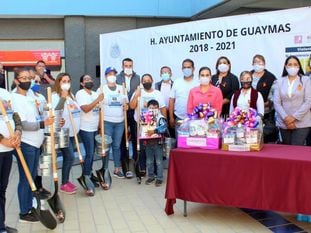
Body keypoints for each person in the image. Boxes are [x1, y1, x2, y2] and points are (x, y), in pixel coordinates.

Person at [10, 68, 54, 222]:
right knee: (25, 178)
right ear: (16, 81)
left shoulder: (30, 95)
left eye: (29, 77)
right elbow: (21, 123)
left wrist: (45, 108)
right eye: (23, 78)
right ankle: (24, 212)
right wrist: (42, 123)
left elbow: (38, 111)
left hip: (36, 143)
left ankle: (29, 204)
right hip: (26, 143)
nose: (27, 81)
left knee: (32, 176)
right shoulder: (14, 98)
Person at [130, 73, 166, 180]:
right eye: (144, 81)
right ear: (141, 82)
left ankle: (156, 171)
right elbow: (132, 106)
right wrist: (136, 95)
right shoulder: (138, 93)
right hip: (141, 126)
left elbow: (163, 108)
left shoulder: (157, 93)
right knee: (142, 149)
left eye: (148, 80)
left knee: (155, 149)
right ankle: (143, 169)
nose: (146, 82)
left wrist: (164, 121)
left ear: (152, 80)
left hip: (155, 127)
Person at [52, 73, 80, 194]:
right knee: (69, 157)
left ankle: (66, 180)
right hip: (62, 132)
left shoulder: (71, 95)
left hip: (73, 132)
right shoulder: (55, 96)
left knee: (68, 158)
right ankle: (64, 184)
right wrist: (62, 98)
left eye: (68, 80)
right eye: (64, 81)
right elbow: (56, 111)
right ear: (58, 82)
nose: (66, 83)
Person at [274, 55, 311, 145]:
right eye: (290, 64)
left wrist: (293, 118)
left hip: (302, 122)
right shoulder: (279, 81)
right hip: (284, 122)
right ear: (286, 67)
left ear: (299, 66)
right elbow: (276, 103)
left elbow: (308, 101)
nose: (292, 67)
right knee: (286, 151)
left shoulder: (306, 80)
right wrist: (286, 119)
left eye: (295, 64)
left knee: (296, 149)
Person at [76, 74, 104, 194]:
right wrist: (97, 100)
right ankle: (86, 176)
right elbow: (86, 109)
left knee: (92, 153)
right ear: (82, 83)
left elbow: (98, 111)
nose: (89, 81)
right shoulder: (80, 93)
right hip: (85, 128)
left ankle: (89, 173)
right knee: (89, 153)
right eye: (86, 79)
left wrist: (99, 126)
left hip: (94, 128)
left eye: (90, 79)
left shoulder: (94, 94)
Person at [99, 67, 128, 178]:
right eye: (109, 74)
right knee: (106, 146)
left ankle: (117, 168)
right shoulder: (102, 89)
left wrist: (126, 106)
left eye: (113, 74)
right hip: (107, 122)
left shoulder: (122, 88)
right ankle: (105, 169)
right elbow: (98, 105)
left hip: (119, 122)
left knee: (116, 146)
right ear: (106, 76)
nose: (112, 76)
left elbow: (127, 104)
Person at [0, 87, 21, 233]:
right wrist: (2, 140)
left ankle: (1, 225)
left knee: (2, 189)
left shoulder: (5, 93)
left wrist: (18, 132)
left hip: (7, 152)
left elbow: (16, 117)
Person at [116, 58, 140, 178]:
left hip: (134, 111)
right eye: (126, 65)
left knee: (135, 136)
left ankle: (136, 160)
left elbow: (138, 93)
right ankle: (124, 161)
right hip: (122, 110)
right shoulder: (117, 78)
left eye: (130, 65)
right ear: (122, 65)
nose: (128, 67)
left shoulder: (137, 77)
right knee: (123, 137)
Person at [251, 54, 278, 143]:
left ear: (264, 64)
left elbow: (274, 96)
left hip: (266, 113)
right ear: (252, 64)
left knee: (266, 137)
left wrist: (265, 103)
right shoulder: (248, 75)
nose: (258, 64)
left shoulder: (270, 77)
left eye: (260, 62)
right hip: (250, 112)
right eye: (255, 62)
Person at [169, 59, 198, 134]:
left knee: (194, 142)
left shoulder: (198, 82)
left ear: (193, 69)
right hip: (179, 118)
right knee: (180, 143)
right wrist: (171, 117)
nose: (186, 69)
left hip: (195, 119)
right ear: (182, 69)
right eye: (184, 67)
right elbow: (171, 100)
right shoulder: (177, 82)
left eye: (189, 67)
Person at [143, 100, 167, 187]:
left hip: (158, 143)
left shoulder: (161, 118)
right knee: (149, 161)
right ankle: (151, 176)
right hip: (148, 142)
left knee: (159, 161)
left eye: (155, 108)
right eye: (150, 108)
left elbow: (163, 128)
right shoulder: (145, 117)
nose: (152, 110)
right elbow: (142, 129)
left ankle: (159, 178)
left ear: (158, 108)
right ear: (147, 108)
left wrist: (154, 131)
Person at [155, 66, 174, 137]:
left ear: (171, 74)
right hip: (161, 113)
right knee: (162, 132)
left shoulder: (174, 84)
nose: (165, 74)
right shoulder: (157, 85)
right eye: (163, 72)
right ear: (160, 74)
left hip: (172, 112)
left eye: (167, 72)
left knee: (172, 133)